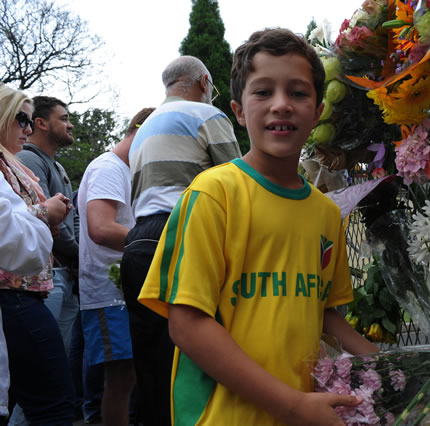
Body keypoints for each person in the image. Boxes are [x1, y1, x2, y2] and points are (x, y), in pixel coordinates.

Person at [138, 28, 379, 425]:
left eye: (298, 93)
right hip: (223, 416)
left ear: (318, 111)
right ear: (237, 110)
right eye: (263, 92)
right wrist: (291, 404)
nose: (281, 105)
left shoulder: (325, 212)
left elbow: (323, 314)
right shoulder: (214, 194)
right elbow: (187, 325)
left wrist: (388, 368)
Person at [122, 55, 241, 425]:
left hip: (137, 243)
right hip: (184, 235)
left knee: (151, 366)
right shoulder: (207, 116)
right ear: (204, 82)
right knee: (192, 363)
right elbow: (239, 187)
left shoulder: (142, 129)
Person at [0, 84, 75, 424]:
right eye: (21, 119)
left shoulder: (13, 161)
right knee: (53, 404)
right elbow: (11, 235)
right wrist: (46, 215)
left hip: (26, 291)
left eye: (30, 121)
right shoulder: (21, 160)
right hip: (16, 292)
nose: (27, 130)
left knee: (31, 399)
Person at [76, 107, 154, 426]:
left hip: (127, 291)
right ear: (140, 133)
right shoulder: (108, 168)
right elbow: (101, 228)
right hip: (109, 294)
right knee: (120, 380)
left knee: (131, 378)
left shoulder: (128, 171)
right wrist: (156, 243)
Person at [16, 96, 79, 358]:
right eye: (63, 119)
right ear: (40, 123)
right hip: (44, 278)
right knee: (39, 364)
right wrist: (79, 255)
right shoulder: (27, 160)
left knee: (59, 363)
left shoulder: (57, 166)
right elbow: (47, 218)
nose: (70, 125)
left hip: (64, 274)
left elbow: (71, 217)